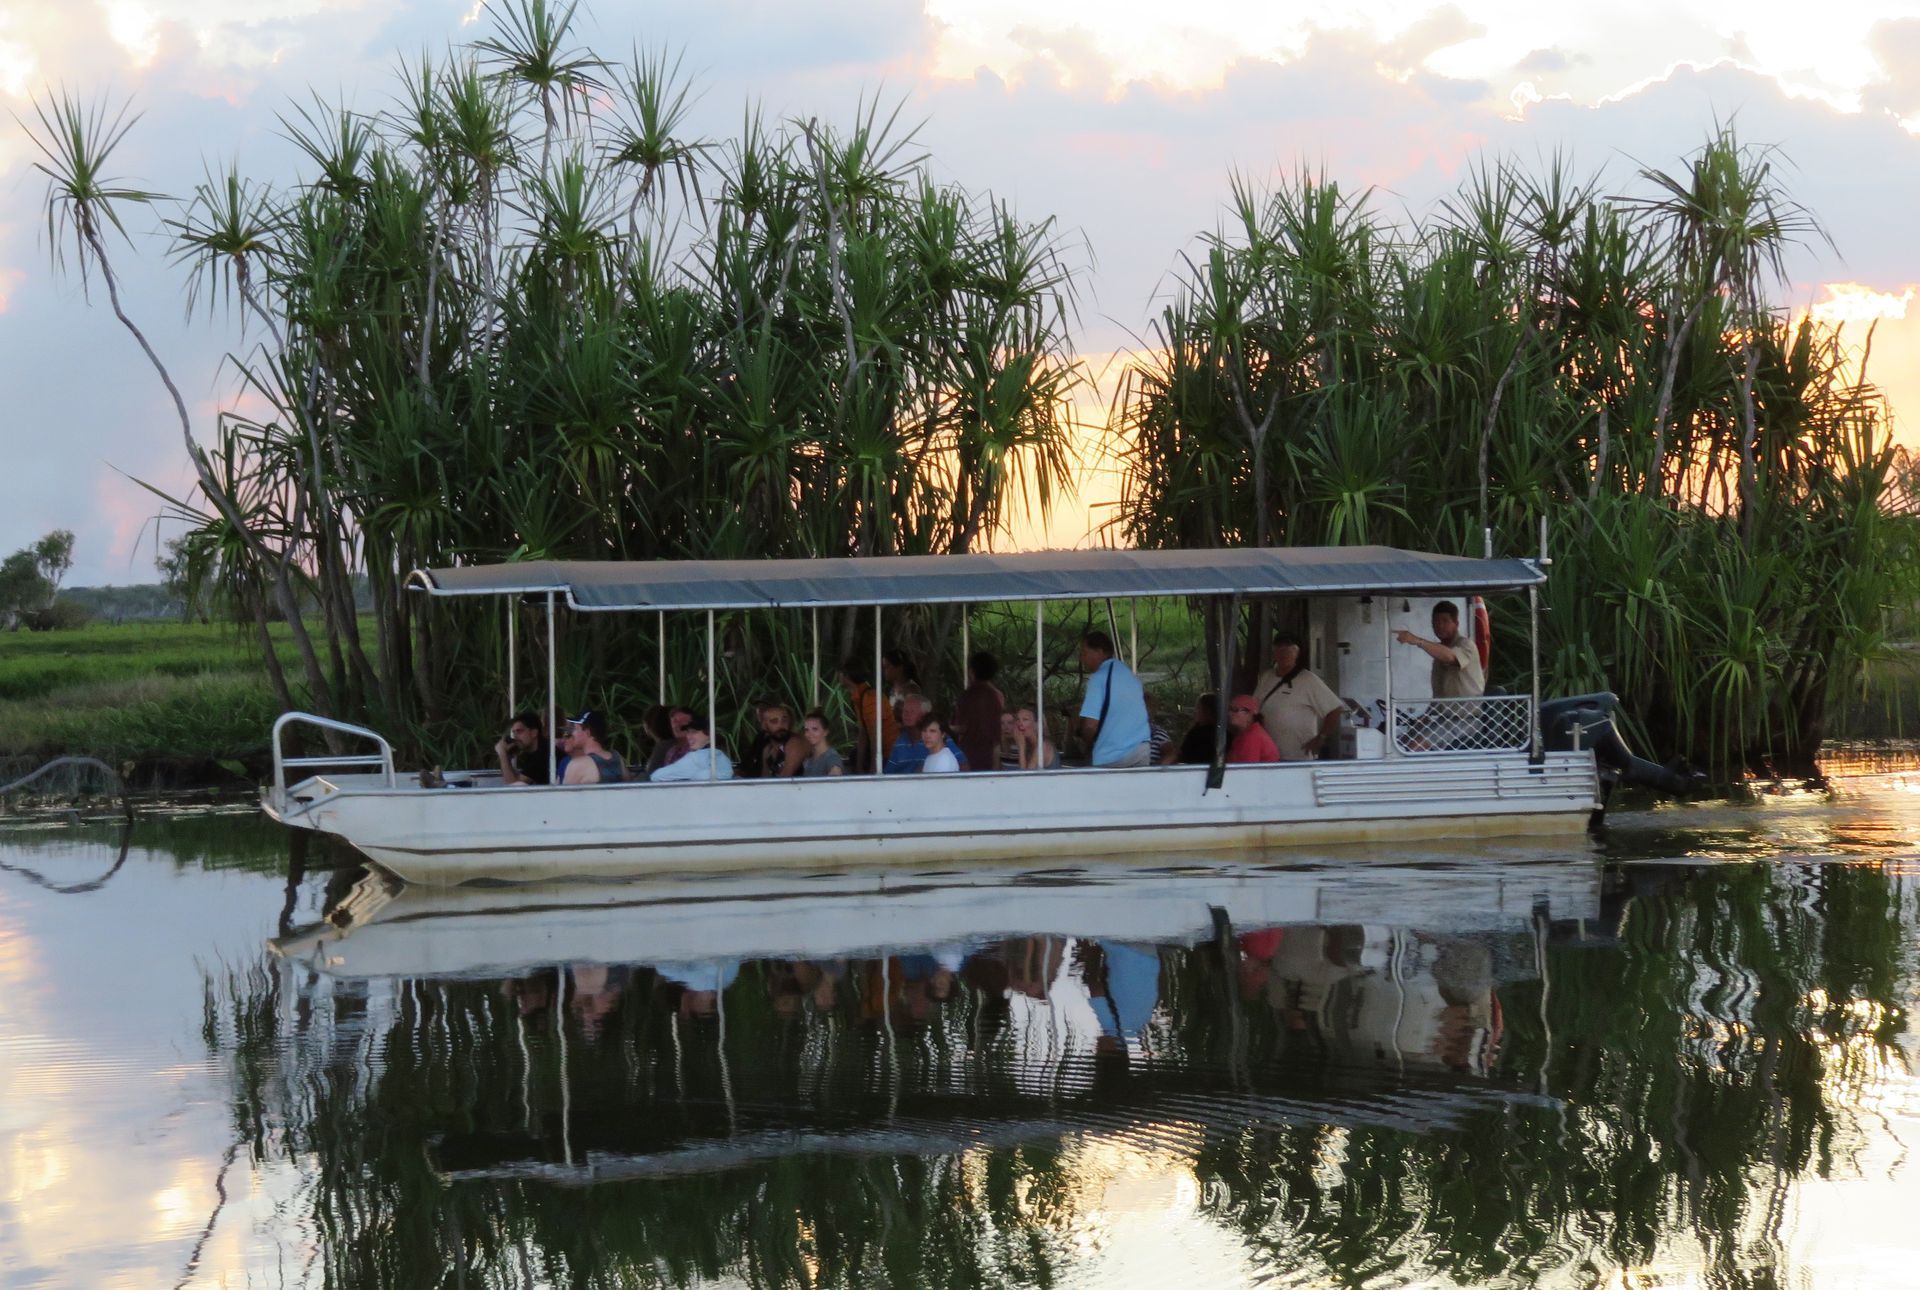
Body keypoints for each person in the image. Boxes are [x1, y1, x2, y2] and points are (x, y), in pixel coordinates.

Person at [1253, 633, 1346, 761]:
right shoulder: (1266, 677)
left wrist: (1321, 737)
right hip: (1267, 753)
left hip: (1297, 755)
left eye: (1289, 650)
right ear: (1274, 653)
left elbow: (1336, 709)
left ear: (1297, 653)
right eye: (1279, 649)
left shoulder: (1308, 679)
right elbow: (1254, 706)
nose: (1283, 654)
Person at [1075, 630, 1151, 767]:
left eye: (1084, 653)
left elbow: (1091, 725)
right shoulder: (1131, 677)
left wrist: (1088, 745)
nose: (1082, 658)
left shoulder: (1098, 679)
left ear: (1099, 651)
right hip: (1142, 749)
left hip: (1113, 754)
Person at [1396, 601, 1485, 698]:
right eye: (1436, 622)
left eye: (1445, 621)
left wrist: (1417, 641)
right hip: (1442, 712)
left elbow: (1450, 657)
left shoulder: (1466, 644)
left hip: (1468, 712)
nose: (1440, 626)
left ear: (1456, 623)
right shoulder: (1438, 651)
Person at [835, 660, 899, 774]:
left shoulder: (871, 697)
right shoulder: (858, 697)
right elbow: (863, 732)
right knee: (854, 756)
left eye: (840, 673)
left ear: (847, 675)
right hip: (878, 751)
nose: (838, 676)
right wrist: (859, 766)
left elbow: (875, 736)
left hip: (889, 754)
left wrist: (874, 767)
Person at [885, 694, 970, 773]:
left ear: (924, 715)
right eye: (905, 711)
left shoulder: (940, 739)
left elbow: (963, 765)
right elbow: (888, 773)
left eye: (912, 711)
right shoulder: (900, 740)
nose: (907, 715)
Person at [951, 650, 1004, 773]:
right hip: (990, 754)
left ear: (972, 671)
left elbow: (963, 727)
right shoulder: (996, 696)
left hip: (969, 754)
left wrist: (945, 727)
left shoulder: (968, 695)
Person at [648, 714, 735, 782]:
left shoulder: (696, 757)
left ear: (709, 736)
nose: (689, 736)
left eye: (694, 732)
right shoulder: (720, 756)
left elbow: (656, 776)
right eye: (688, 732)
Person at [558, 711, 626, 784]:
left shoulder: (578, 765)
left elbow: (562, 795)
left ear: (588, 732)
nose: (571, 733)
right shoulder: (618, 759)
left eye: (575, 728)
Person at [744, 700, 806, 779]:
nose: (781, 725)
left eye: (784, 720)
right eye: (774, 721)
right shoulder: (767, 750)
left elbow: (784, 780)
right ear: (764, 725)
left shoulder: (795, 743)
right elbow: (765, 781)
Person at [494, 711, 551, 786]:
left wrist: (503, 754)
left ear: (534, 733)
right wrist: (508, 757)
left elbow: (514, 786)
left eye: (519, 731)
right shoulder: (533, 752)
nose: (515, 737)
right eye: (514, 733)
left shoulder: (543, 754)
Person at [1165, 692, 1220, 765]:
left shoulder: (1196, 733)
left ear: (1207, 711)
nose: (1195, 711)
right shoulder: (1224, 733)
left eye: (1198, 708)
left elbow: (1179, 754)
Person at [1225, 694, 1281, 764]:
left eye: (1235, 710)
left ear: (1249, 714)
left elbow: (1247, 770)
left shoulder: (1253, 737)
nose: (1230, 713)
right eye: (1230, 709)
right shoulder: (1244, 734)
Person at [1013, 704, 1060, 769]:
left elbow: (1025, 777)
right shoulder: (1029, 744)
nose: (1020, 723)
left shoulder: (1043, 747)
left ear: (1037, 724)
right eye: (1018, 719)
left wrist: (1021, 747)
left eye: (1025, 719)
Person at [800, 710, 845, 776]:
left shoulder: (832, 757)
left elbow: (835, 783)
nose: (809, 734)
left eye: (815, 729)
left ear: (826, 732)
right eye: (807, 730)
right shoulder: (807, 758)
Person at [882, 648, 922, 718]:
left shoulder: (911, 689)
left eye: (887, 666)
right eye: (884, 667)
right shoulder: (890, 690)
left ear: (899, 667)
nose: (885, 671)